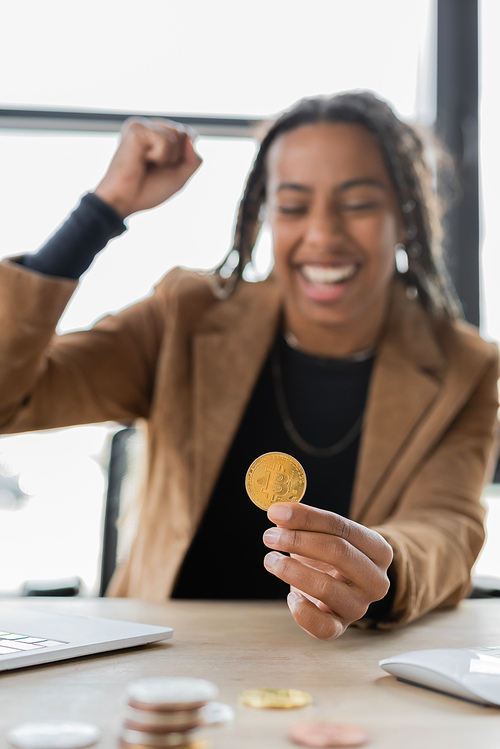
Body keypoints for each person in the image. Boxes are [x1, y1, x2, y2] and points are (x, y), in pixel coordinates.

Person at [0, 92, 497, 641]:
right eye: (292, 205)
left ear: (404, 217)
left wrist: (386, 568)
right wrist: (101, 211)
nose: (323, 234)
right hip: (160, 660)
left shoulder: (464, 366)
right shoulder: (184, 316)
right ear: (265, 217)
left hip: (340, 673)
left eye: (356, 204)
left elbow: (448, 527)